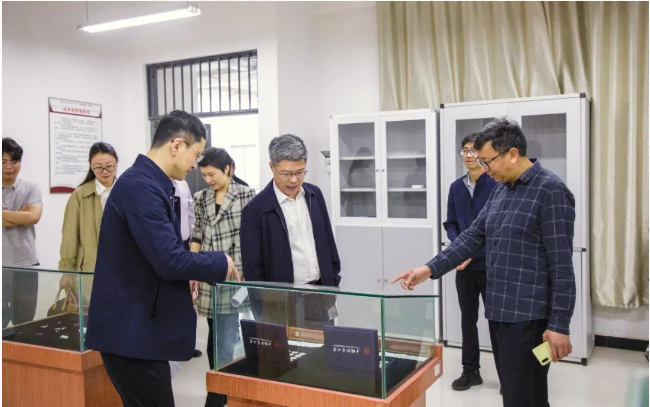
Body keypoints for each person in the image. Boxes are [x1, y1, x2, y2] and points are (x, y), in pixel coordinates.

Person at [393, 117, 575, 407]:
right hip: (500, 313)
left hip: (529, 319)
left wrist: (560, 324)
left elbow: (562, 266)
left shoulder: (550, 191)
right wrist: (429, 269)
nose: (485, 169)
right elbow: (471, 237)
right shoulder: (501, 190)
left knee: (525, 396)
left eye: (488, 161)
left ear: (512, 153)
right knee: (516, 394)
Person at [85, 110, 239, 407]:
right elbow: (169, 260)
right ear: (177, 145)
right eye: (196, 154)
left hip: (138, 330)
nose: (195, 164)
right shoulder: (140, 187)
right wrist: (220, 262)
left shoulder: (149, 183)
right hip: (131, 333)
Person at [240, 134, 341, 328]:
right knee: (285, 348)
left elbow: (328, 242)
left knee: (321, 346)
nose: (294, 180)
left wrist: (333, 283)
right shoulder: (256, 210)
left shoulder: (314, 195)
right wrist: (263, 309)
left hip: (319, 295)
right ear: (272, 167)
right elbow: (253, 268)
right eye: (286, 174)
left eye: (300, 172)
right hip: (280, 303)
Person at [190, 147, 255, 407]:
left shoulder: (246, 194)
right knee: (213, 339)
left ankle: (218, 397)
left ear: (227, 169)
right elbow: (198, 233)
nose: (208, 180)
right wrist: (192, 267)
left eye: (212, 174)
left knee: (225, 340)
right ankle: (219, 391)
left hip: (236, 275)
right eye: (204, 175)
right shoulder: (201, 198)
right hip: (209, 273)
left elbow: (253, 237)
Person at [443, 133, 497, 391]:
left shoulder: (496, 184)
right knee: (468, 320)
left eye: (473, 150)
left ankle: (508, 375)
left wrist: (470, 253)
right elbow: (450, 224)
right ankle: (470, 371)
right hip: (464, 267)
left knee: (497, 322)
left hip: (490, 265)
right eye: (464, 150)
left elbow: (496, 228)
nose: (468, 155)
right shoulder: (456, 187)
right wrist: (459, 248)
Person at [59, 142, 119, 301]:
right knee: (91, 310)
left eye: (109, 166)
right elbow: (70, 237)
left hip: (121, 266)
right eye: (98, 167)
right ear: (91, 166)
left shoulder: (125, 192)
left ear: (116, 164)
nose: (104, 171)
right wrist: (67, 271)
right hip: (89, 267)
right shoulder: (80, 195)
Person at [2, 137, 42, 328]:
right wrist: (19, 215)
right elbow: (26, 217)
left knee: (25, 324)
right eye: (3, 161)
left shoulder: (30, 188)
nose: (9, 166)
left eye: (14, 161)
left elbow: (33, 217)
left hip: (26, 265)